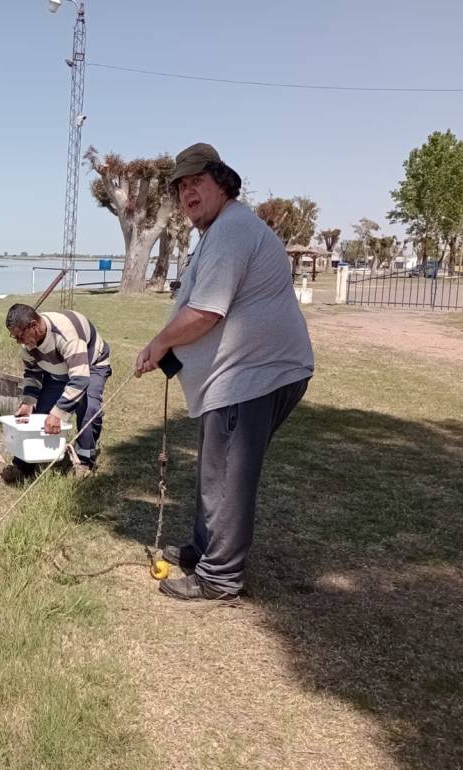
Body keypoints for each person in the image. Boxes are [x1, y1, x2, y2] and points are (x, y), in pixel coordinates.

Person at [135, 142, 314, 602]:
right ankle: (203, 549)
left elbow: (205, 312)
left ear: (223, 183)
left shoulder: (232, 231)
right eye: (181, 188)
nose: (188, 194)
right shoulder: (222, 231)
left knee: (230, 474)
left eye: (197, 183)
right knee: (215, 468)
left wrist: (160, 342)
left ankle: (220, 577)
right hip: (242, 375)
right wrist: (170, 353)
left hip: (253, 375)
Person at [2, 303, 112, 480]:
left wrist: (59, 414)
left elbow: (80, 379)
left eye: (20, 336)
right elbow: (32, 372)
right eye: (14, 337)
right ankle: (23, 464)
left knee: (89, 409)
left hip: (91, 365)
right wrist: (28, 401)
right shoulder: (28, 344)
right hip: (58, 370)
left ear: (34, 326)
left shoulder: (67, 335)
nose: (18, 341)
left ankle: (83, 463)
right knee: (39, 413)